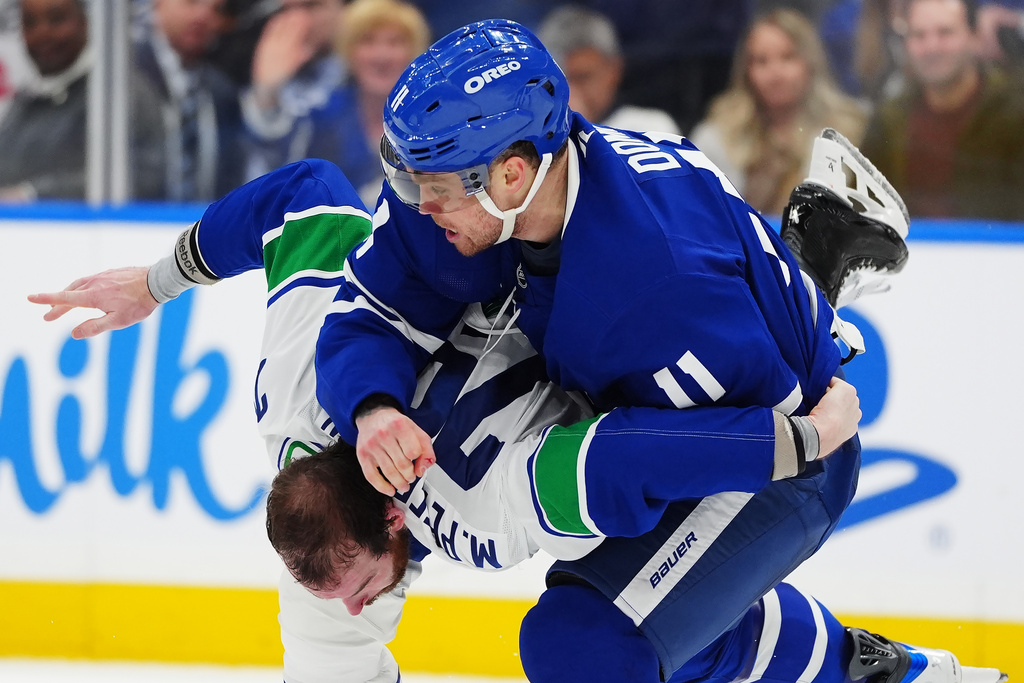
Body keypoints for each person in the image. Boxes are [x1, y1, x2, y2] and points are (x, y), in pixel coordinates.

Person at [29, 156, 871, 683]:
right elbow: (304, 195)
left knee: (605, 620)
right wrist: (158, 281)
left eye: (360, 587)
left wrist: (796, 437)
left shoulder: (482, 513)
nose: (356, 607)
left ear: (396, 513)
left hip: (554, 299)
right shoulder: (292, 391)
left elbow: (626, 458)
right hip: (541, 299)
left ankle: (813, 281)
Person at [294, 18, 923, 683]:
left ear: (512, 174)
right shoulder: (478, 198)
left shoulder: (649, 287)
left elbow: (657, 450)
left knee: (585, 643)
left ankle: (822, 257)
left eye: (438, 188)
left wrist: (806, 440)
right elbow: (364, 315)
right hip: (682, 388)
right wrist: (371, 406)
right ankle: (863, 669)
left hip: (778, 447)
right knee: (651, 613)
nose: (421, 206)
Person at [689, 8, 868, 215]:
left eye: (787, 57)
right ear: (746, 71)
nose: (775, 73)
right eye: (761, 61)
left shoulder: (851, 131)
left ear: (810, 62)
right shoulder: (716, 137)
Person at [860, 0, 1024, 220]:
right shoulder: (890, 118)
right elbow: (860, 208)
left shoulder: (1016, 112)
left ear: (975, 37)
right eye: (919, 35)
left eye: (945, 33)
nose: (932, 47)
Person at [0, 0, 166, 201]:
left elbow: (142, 177)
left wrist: (30, 195)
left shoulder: (119, 94)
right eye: (30, 22)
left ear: (84, 22)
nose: (43, 33)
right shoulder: (27, 98)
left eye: (56, 19)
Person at [302, 0, 430, 206]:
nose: (381, 56)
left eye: (395, 42)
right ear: (348, 50)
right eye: (367, 41)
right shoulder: (323, 118)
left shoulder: (435, 117)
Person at [135, 0, 246, 201]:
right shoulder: (124, 76)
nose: (204, 16)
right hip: (131, 224)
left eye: (216, 9)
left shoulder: (222, 92)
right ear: (158, 4)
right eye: (192, 2)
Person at [241, 0, 348, 179]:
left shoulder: (366, 68)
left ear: (344, 9)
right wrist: (267, 92)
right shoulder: (253, 61)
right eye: (288, 9)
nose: (298, 20)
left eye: (312, 6)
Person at [536, 5, 680, 134]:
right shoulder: (528, 132)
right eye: (559, 79)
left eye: (582, 77)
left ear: (613, 70)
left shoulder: (650, 129)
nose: (570, 92)